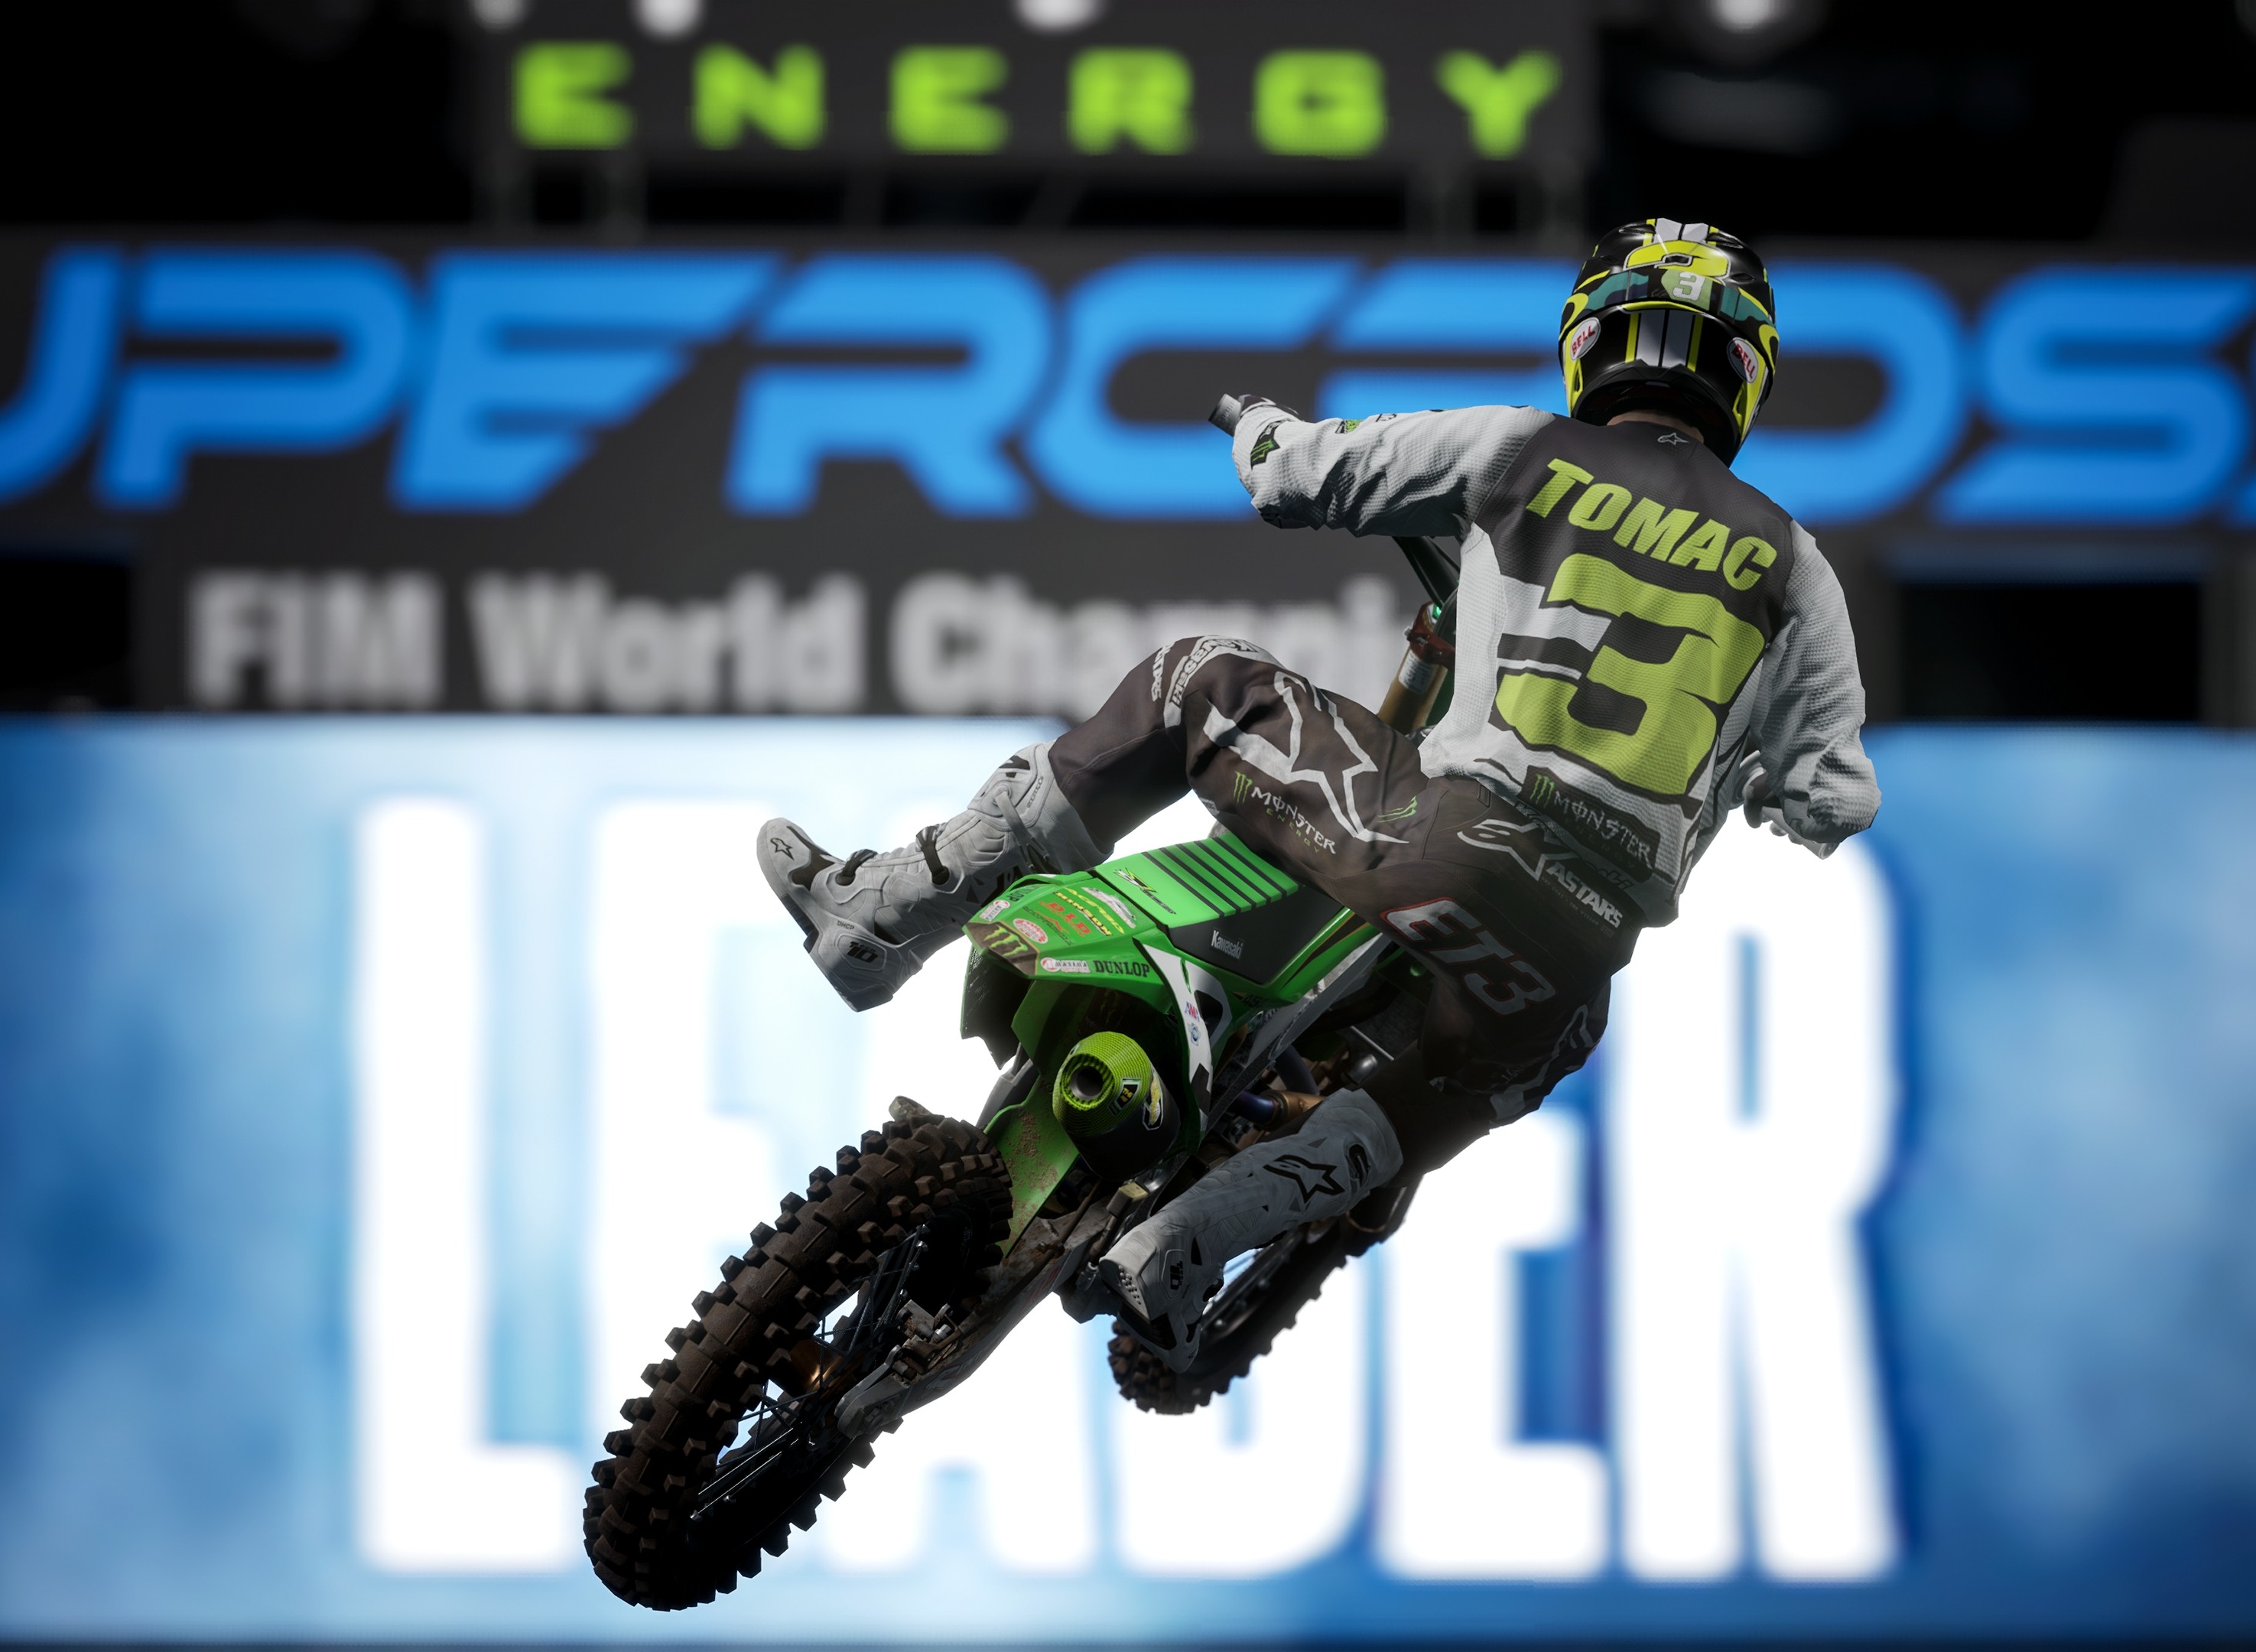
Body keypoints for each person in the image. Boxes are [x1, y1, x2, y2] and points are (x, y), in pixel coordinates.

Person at [757, 218, 1877, 1363]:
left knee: (1193, 678)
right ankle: (1192, 1240)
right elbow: (1834, 801)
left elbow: (1302, 476)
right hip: (1577, 942)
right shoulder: (1798, 567)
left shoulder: (1519, 447)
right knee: (1467, 1078)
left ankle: (888, 914)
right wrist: (1757, 782)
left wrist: (1255, 425)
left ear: (1590, 339)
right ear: (1746, 373)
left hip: (1439, 833)